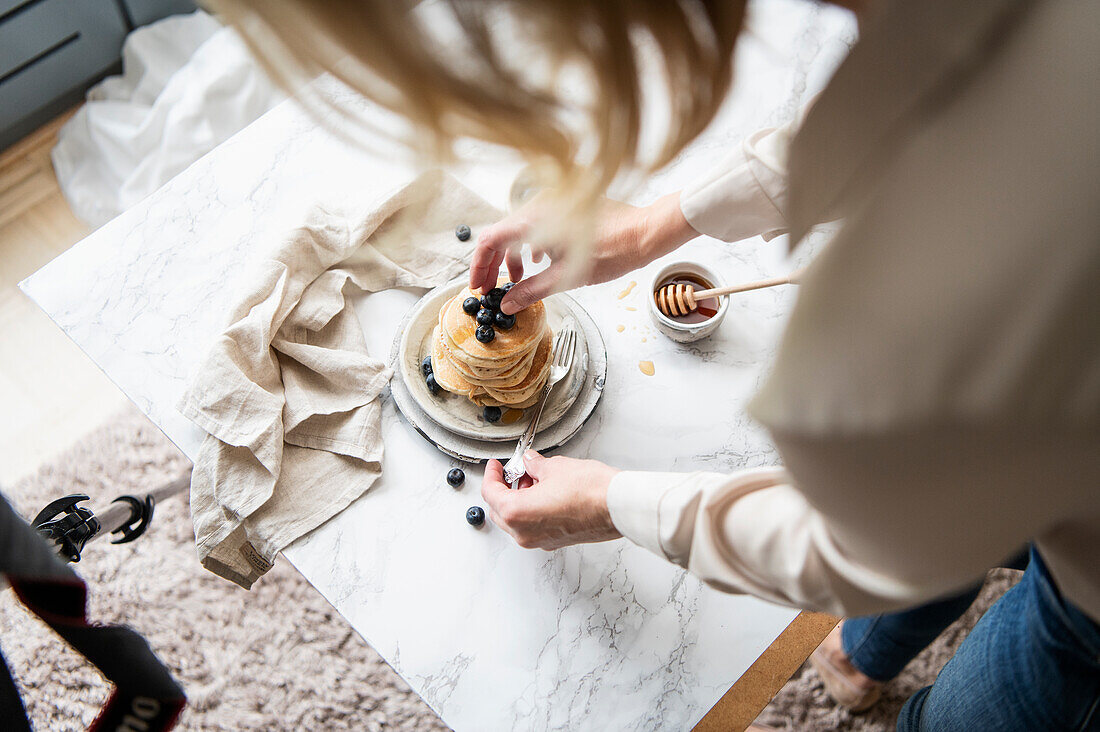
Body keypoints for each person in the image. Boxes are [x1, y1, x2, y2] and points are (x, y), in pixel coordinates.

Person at [214, 0, 1100, 727]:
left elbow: (860, 548)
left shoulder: (935, 311)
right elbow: (924, 92)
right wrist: (651, 228)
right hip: (1051, 427)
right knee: (984, 520)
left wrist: (609, 502)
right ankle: (865, 656)